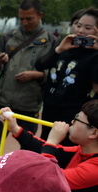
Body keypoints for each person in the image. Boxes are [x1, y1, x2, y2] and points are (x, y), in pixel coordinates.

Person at [0, 0, 57, 160]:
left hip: (29, 106)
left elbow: (55, 74)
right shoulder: (9, 36)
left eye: (29, 19)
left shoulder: (51, 41)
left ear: (40, 16)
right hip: (2, 102)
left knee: (28, 152)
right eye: (21, 19)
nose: (24, 23)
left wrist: (37, 75)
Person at [36, 7, 98, 143]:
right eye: (78, 25)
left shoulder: (94, 56)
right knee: (45, 145)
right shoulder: (65, 48)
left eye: (88, 28)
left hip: (72, 117)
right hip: (49, 110)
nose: (80, 31)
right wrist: (58, 49)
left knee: (64, 154)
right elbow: (39, 65)